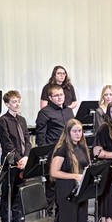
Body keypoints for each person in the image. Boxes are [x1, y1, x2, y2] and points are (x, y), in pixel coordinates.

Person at [49, 118, 91, 222]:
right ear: (68, 132)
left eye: (80, 131)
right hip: (66, 190)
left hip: (80, 190)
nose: (78, 134)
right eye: (75, 131)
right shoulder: (62, 149)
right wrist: (74, 176)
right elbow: (54, 172)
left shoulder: (82, 147)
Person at [0, 90, 31, 222]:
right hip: (11, 161)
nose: (17, 104)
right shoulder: (3, 121)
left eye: (18, 101)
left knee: (19, 191)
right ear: (7, 104)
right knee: (8, 191)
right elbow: (7, 144)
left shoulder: (21, 120)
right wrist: (18, 160)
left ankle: (17, 220)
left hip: (23, 160)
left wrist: (27, 157)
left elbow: (27, 141)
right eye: (14, 102)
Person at [35, 85, 75, 213]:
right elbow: (41, 136)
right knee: (51, 184)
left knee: (67, 181)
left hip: (69, 151)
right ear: (51, 98)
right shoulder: (45, 112)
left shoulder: (69, 111)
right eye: (56, 95)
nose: (60, 97)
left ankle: (63, 210)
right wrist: (44, 155)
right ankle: (49, 212)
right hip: (53, 153)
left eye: (61, 95)